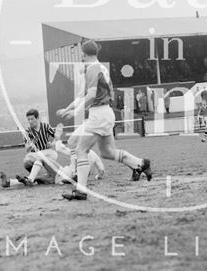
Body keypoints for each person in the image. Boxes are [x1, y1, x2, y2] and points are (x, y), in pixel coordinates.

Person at [57, 40, 152, 201]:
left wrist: (76, 112)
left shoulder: (92, 69)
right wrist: (68, 109)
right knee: (107, 152)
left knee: (80, 151)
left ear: (83, 53)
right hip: (105, 112)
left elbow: (91, 95)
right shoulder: (101, 67)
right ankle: (141, 163)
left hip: (98, 114)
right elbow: (86, 94)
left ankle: (81, 191)